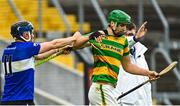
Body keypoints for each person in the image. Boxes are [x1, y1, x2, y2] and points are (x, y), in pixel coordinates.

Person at [72, 9, 159, 105]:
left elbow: (128, 66)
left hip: (110, 90)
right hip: (101, 88)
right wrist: (89, 37)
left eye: (125, 25)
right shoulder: (100, 36)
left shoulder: (123, 41)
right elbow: (76, 45)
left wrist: (148, 73)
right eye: (122, 25)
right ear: (113, 23)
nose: (124, 28)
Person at [0, 20, 79, 105]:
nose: (33, 36)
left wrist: (59, 50)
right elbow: (54, 43)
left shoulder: (8, 50)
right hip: (21, 100)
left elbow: (40, 56)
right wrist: (74, 38)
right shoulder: (26, 48)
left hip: (6, 101)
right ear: (25, 35)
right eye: (31, 33)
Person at [113, 22, 152, 106]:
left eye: (131, 35)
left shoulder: (141, 54)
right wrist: (135, 38)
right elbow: (124, 47)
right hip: (122, 102)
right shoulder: (115, 50)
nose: (129, 38)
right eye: (126, 35)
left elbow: (146, 84)